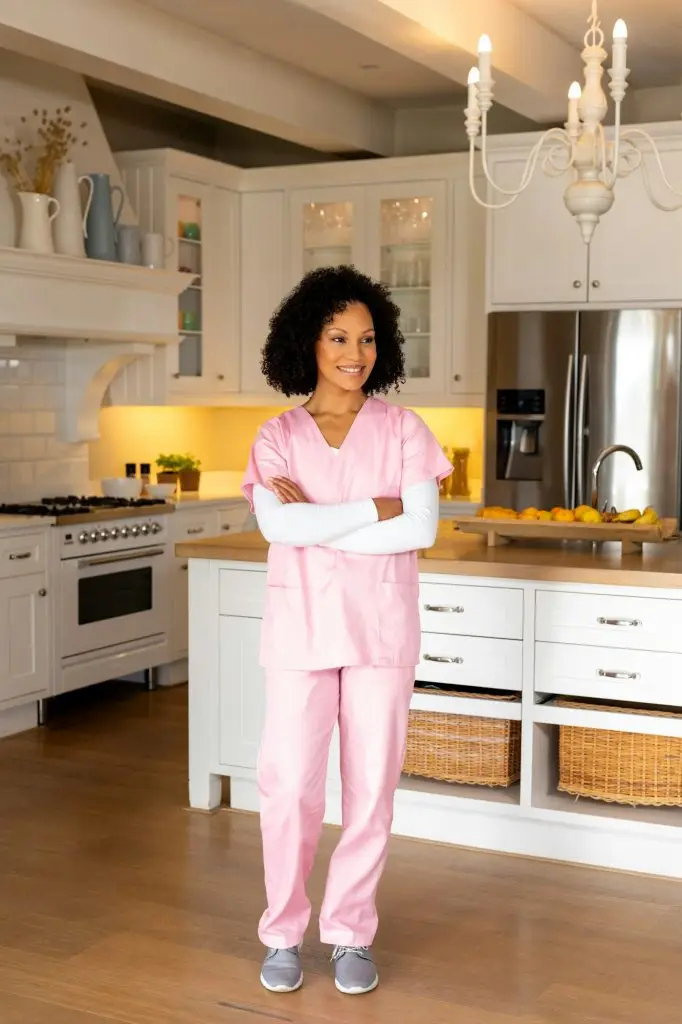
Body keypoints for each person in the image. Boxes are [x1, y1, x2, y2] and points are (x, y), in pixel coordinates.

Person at [241, 265, 452, 997]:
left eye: (366, 339)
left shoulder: (405, 429)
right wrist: (373, 508)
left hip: (380, 633)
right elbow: (278, 526)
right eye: (338, 337)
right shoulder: (276, 437)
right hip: (300, 631)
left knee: (370, 789)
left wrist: (318, 521)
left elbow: (419, 529)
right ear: (308, 341)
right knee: (288, 787)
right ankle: (282, 931)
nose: (354, 353)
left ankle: (351, 933)